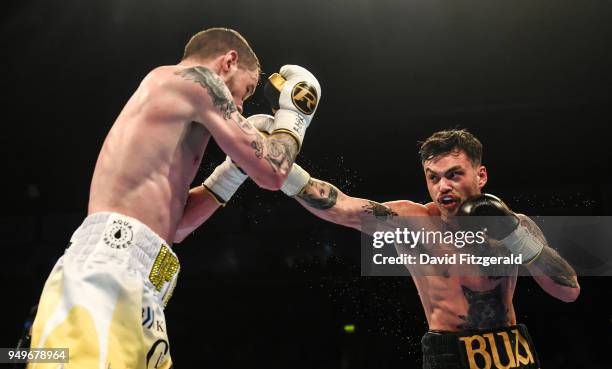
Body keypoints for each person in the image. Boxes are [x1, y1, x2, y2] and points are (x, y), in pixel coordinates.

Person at [28, 28, 321, 369]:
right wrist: (294, 117)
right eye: (248, 89)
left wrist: (232, 172)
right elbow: (274, 172)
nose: (241, 104)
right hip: (105, 275)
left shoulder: (177, 113)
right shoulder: (197, 81)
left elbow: (175, 226)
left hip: (144, 290)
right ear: (229, 61)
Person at [181, 121, 580, 369]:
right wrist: (282, 171)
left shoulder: (516, 226)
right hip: (450, 354)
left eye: (454, 174)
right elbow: (341, 206)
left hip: (514, 354)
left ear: (481, 175)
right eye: (433, 176)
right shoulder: (413, 223)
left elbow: (568, 291)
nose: (443, 186)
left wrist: (515, 237)